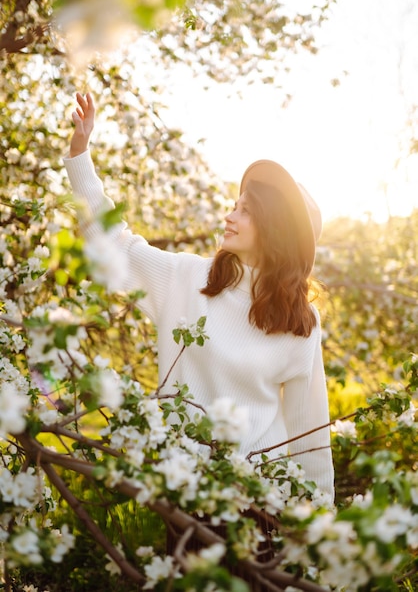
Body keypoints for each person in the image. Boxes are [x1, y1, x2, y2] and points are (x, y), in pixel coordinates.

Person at [64, 92, 334, 499]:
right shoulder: (188, 278)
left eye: (244, 211)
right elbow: (111, 243)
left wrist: (318, 532)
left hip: (263, 507)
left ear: (272, 229)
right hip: (187, 499)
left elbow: (309, 432)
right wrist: (80, 154)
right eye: (234, 205)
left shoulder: (300, 323)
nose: (229, 216)